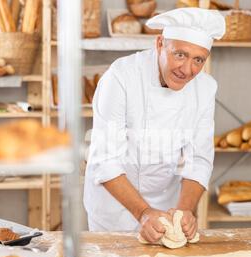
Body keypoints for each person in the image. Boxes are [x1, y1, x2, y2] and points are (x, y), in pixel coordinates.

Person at [84, 8, 226, 244]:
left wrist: (184, 211)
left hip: (165, 210)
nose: (187, 70)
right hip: (113, 210)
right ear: (160, 43)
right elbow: (106, 161)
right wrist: (142, 213)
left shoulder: (205, 88)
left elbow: (199, 159)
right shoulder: (121, 77)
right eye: (180, 54)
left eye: (198, 60)